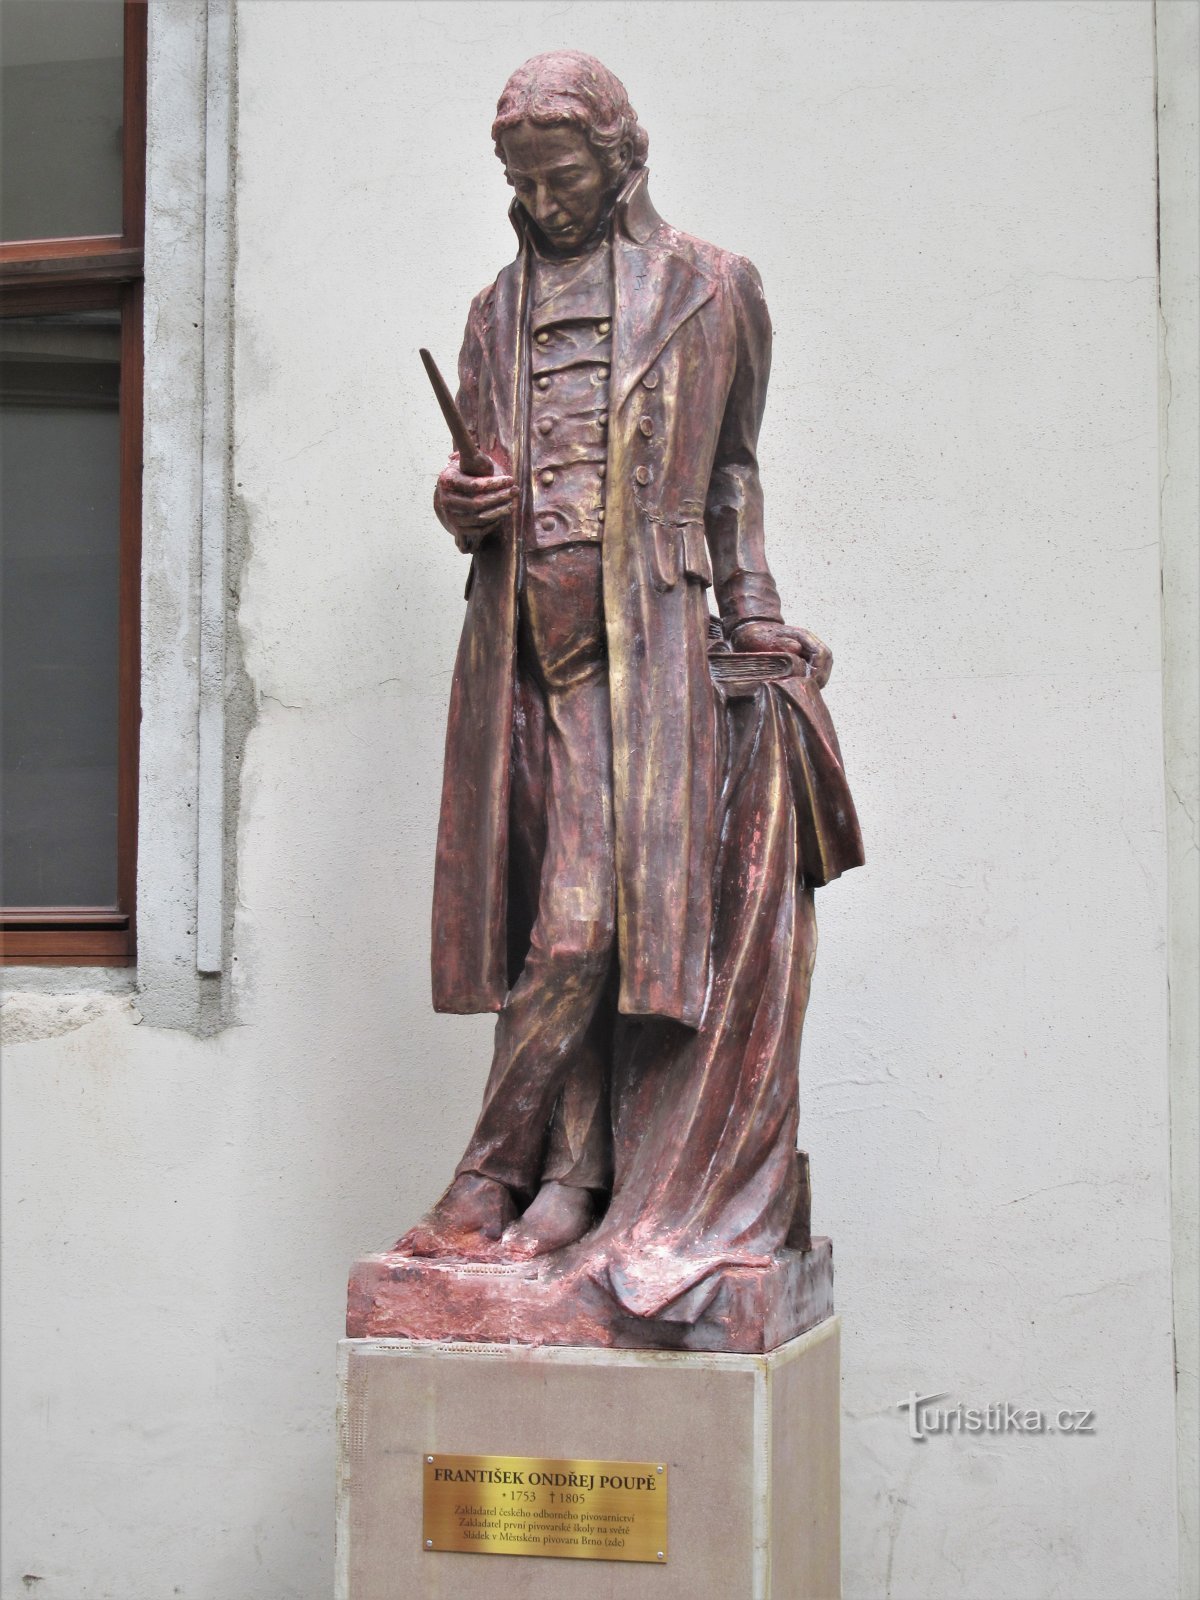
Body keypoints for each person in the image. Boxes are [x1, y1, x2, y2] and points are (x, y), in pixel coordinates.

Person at [399, 51, 855, 1273]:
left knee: (587, 922)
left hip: (641, 650)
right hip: (519, 659)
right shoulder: (496, 310)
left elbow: (734, 473)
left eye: (561, 177)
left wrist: (752, 614)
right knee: (558, 920)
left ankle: (491, 1172)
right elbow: (483, 479)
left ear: (619, 158)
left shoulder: (710, 286)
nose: (543, 203)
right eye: (522, 182)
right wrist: (464, 502)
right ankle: (575, 1177)